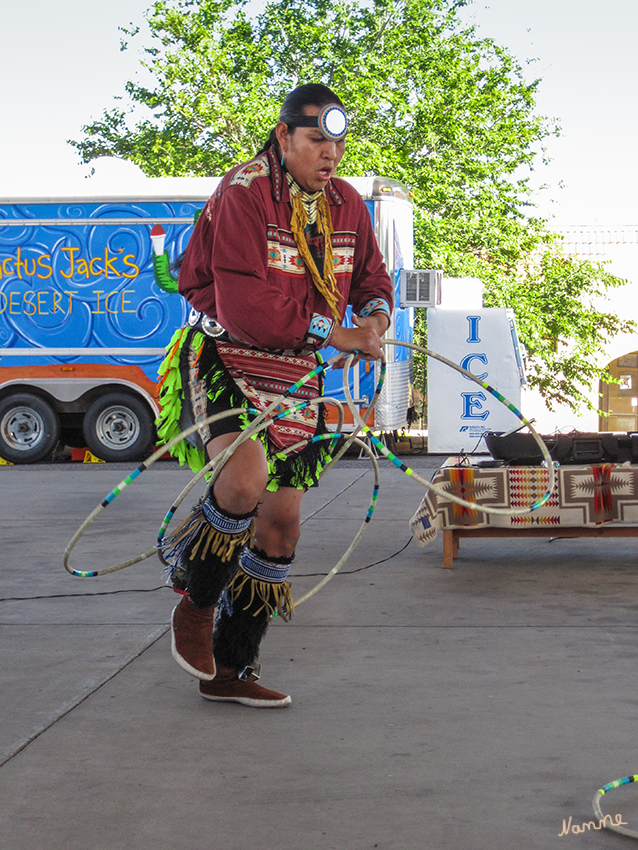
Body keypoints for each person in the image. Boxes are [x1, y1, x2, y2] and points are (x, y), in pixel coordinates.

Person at [157, 83, 393, 708]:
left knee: (282, 526)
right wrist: (335, 330)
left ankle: (233, 668)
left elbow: (372, 277)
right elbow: (242, 303)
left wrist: (374, 319)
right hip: (227, 356)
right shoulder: (243, 193)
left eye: (338, 142)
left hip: (295, 376)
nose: (331, 153)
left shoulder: (346, 204)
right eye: (317, 139)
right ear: (284, 137)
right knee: (245, 478)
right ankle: (196, 608)